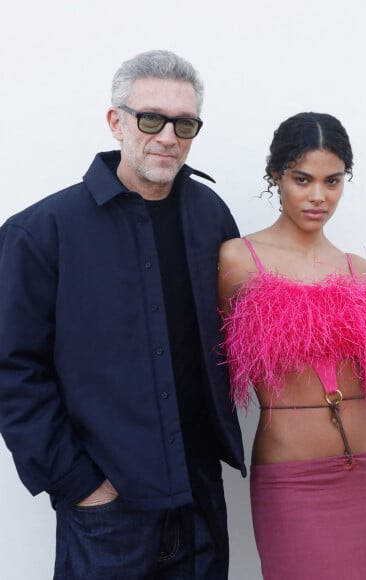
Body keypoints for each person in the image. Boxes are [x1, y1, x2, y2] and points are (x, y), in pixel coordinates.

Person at [0, 50, 245, 579]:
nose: (167, 137)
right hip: (107, 511)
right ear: (116, 122)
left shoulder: (212, 217)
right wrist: (78, 484)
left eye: (185, 124)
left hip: (199, 496)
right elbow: (12, 370)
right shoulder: (40, 233)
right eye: (150, 119)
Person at [218, 112, 366, 579]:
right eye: (302, 179)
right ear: (276, 176)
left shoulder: (356, 269)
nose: (318, 196)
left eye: (333, 181)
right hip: (291, 480)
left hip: (364, 476)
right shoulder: (239, 260)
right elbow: (209, 370)